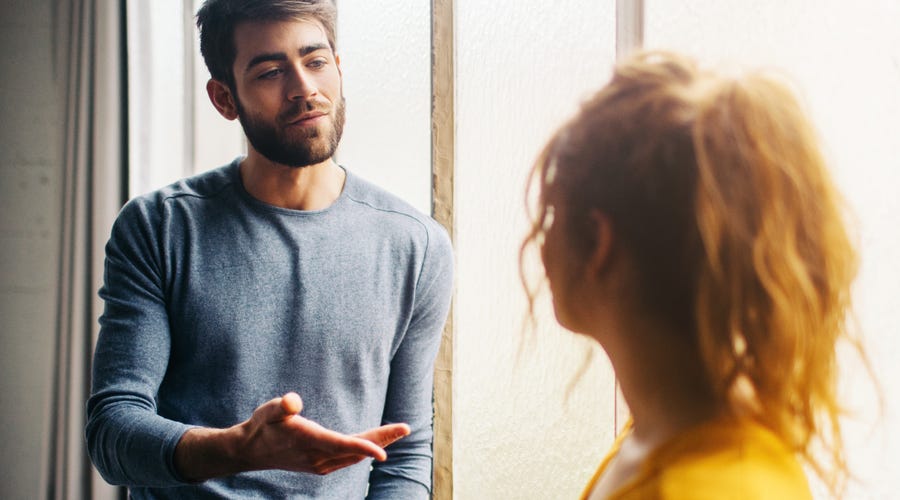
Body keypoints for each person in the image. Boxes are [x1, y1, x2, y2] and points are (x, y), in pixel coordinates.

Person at [85, 1, 453, 498]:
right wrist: (241, 448)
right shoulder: (158, 227)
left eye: (316, 61)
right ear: (224, 98)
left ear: (338, 68)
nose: (304, 88)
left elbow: (405, 452)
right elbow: (112, 432)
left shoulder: (417, 245)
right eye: (271, 71)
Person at [521, 51, 865, 499]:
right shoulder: (666, 434)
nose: (540, 242)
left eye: (551, 215)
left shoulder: (700, 487)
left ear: (598, 241)